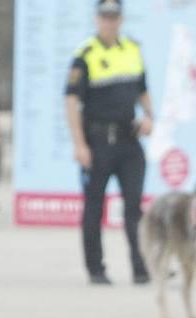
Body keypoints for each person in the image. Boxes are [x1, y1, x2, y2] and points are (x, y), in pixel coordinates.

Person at [64, 0, 153, 287]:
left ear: (121, 19)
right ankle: (96, 268)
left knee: (134, 208)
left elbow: (143, 91)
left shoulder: (132, 49)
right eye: (105, 16)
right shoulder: (85, 55)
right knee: (94, 207)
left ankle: (141, 267)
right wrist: (80, 145)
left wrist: (150, 117)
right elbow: (71, 101)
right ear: (97, 18)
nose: (109, 22)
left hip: (128, 140)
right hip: (98, 140)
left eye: (114, 17)